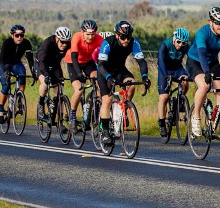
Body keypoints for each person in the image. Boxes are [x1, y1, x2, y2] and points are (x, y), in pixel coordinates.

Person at [96, 20, 150, 148]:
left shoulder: (133, 42)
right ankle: (105, 131)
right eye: (123, 37)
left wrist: (144, 77)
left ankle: (123, 110)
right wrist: (108, 77)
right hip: (105, 72)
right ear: (116, 35)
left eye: (128, 37)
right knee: (107, 100)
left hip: (120, 70)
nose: (126, 40)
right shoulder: (108, 42)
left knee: (131, 85)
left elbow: (141, 61)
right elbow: (101, 65)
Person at [187, 7, 220, 137]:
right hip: (196, 61)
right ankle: (196, 116)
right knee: (204, 86)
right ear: (210, 22)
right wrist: (207, 72)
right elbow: (202, 54)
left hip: (212, 62)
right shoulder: (202, 33)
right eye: (217, 23)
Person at [66, 19, 104, 129]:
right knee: (79, 90)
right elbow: (74, 57)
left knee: (98, 83)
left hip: (88, 62)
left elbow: (104, 56)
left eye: (92, 34)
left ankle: (97, 111)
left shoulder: (99, 39)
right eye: (88, 34)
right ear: (82, 32)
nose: (90, 37)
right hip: (73, 63)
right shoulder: (76, 37)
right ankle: (72, 116)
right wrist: (79, 74)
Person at [156, 27, 191, 137]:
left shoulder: (186, 47)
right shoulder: (165, 44)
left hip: (177, 69)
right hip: (165, 70)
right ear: (174, 38)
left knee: (185, 82)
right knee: (164, 97)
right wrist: (166, 76)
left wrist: (190, 73)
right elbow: (160, 61)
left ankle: (180, 100)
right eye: (178, 42)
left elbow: (192, 61)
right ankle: (162, 123)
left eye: (183, 43)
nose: (180, 45)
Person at [35, 26, 73, 117]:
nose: (64, 45)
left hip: (55, 65)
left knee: (59, 90)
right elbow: (42, 62)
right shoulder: (47, 43)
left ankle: (59, 117)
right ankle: (41, 104)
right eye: (62, 42)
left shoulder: (68, 44)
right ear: (57, 38)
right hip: (41, 64)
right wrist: (46, 75)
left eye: (67, 42)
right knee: (45, 83)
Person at [0, 24, 34, 122]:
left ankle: (19, 98)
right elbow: (2, 59)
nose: (19, 38)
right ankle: (1, 108)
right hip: (4, 63)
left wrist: (34, 73)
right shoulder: (7, 43)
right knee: (6, 85)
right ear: (12, 35)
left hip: (16, 63)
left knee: (22, 75)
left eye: (21, 35)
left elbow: (30, 60)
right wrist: (6, 72)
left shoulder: (26, 43)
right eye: (17, 35)